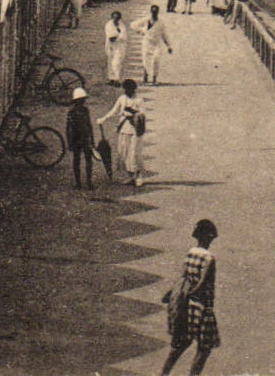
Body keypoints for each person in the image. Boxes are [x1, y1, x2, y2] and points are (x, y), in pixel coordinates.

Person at [160, 219, 221, 376]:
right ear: (209, 237)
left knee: (181, 343)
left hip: (186, 304)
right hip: (202, 306)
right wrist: (195, 292)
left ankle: (163, 373)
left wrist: (172, 293)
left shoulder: (190, 252)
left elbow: (183, 276)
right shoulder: (209, 258)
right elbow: (203, 281)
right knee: (204, 347)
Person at [98, 79, 146, 185]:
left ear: (133, 90)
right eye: (126, 90)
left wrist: (133, 114)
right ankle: (130, 176)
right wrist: (103, 119)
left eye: (130, 90)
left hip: (135, 130)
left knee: (134, 153)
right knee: (124, 152)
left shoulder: (139, 100)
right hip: (124, 129)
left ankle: (139, 175)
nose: (127, 92)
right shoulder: (122, 98)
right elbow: (114, 111)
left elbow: (142, 115)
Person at [66, 87, 96, 189]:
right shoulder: (72, 112)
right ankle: (78, 182)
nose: (83, 101)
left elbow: (89, 125)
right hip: (76, 138)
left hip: (84, 138)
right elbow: (68, 128)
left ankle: (89, 181)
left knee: (88, 160)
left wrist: (92, 139)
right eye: (81, 99)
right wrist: (69, 141)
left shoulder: (85, 110)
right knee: (77, 160)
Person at [137, 4, 173, 85]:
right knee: (146, 60)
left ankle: (154, 79)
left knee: (155, 60)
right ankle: (145, 79)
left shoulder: (161, 22)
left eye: (156, 12)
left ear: (158, 12)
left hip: (157, 44)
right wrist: (141, 31)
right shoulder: (146, 20)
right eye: (153, 11)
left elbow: (164, 35)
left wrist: (169, 46)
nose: (154, 13)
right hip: (147, 43)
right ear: (151, 11)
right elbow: (133, 25)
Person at [104, 11, 128, 85]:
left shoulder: (122, 25)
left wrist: (117, 36)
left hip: (119, 47)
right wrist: (119, 36)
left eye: (117, 18)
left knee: (117, 62)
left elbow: (124, 37)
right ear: (112, 17)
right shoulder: (108, 25)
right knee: (110, 62)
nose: (116, 19)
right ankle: (111, 78)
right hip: (110, 46)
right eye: (114, 17)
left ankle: (117, 79)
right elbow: (111, 37)